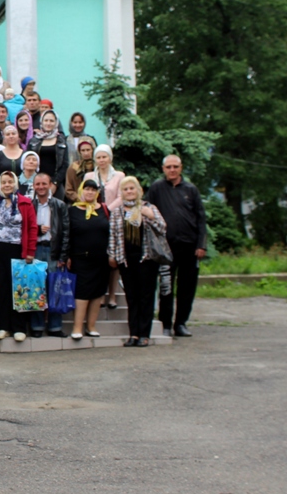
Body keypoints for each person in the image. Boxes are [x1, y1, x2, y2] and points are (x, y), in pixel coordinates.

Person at [145, 155, 207, 338]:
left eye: (175, 166)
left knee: (187, 287)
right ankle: (165, 323)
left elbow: (201, 218)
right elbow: (147, 212)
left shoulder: (191, 190)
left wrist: (201, 245)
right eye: (169, 167)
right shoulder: (157, 188)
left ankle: (181, 323)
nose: (172, 170)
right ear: (163, 169)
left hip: (189, 247)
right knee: (166, 287)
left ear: (181, 168)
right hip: (165, 248)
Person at [108, 176, 167, 347]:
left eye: (132, 188)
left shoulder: (149, 207)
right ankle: (133, 334)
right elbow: (113, 235)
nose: (129, 192)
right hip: (126, 260)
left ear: (138, 190)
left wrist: (150, 216)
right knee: (131, 298)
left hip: (146, 259)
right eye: (126, 189)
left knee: (146, 297)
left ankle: (144, 334)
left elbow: (163, 228)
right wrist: (112, 255)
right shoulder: (117, 212)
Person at [0, 171, 37, 342]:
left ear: (15, 183)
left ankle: (18, 327)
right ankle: (3, 326)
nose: (7, 185)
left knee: (18, 289)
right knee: (0, 288)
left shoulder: (25, 203)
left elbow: (32, 228)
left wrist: (30, 251)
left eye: (10, 182)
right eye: (4, 182)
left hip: (17, 249)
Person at [65, 179, 110, 340]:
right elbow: (67, 234)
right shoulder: (72, 210)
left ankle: (91, 326)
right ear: (81, 191)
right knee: (82, 292)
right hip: (80, 258)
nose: (90, 192)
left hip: (101, 259)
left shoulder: (104, 209)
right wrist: (67, 255)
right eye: (87, 189)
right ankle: (77, 327)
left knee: (97, 292)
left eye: (93, 189)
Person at [28, 173, 69, 338]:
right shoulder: (30, 205)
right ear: (33, 186)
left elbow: (66, 232)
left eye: (44, 183)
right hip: (36, 250)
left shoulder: (60, 205)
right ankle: (37, 326)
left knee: (55, 289)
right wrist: (37, 230)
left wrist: (63, 256)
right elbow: (25, 229)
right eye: (37, 184)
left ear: (51, 185)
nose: (41, 187)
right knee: (36, 288)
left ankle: (55, 326)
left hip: (53, 250)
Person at [84, 144, 125, 309]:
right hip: (95, 219)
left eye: (104, 157)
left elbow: (121, 197)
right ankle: (100, 294)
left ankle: (112, 295)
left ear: (110, 158)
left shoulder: (119, 176)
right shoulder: (89, 175)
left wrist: (106, 209)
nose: (101, 160)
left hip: (113, 218)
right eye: (99, 157)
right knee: (100, 258)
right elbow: (85, 194)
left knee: (113, 258)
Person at [26, 110, 68, 189]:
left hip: (55, 183)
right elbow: (27, 161)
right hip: (35, 182)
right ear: (41, 122)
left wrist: (55, 183)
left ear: (56, 123)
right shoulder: (33, 141)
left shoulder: (61, 141)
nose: (48, 123)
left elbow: (65, 164)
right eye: (46, 120)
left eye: (51, 121)